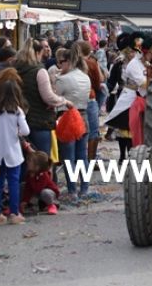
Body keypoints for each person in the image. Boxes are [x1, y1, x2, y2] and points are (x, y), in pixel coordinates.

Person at [15, 38, 71, 158]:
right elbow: (48, 97)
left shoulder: (16, 69)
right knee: (42, 158)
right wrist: (64, 101)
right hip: (39, 121)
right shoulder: (39, 71)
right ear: (37, 53)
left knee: (25, 160)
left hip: (19, 121)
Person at [0, 80, 30, 225]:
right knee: (13, 182)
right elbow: (25, 131)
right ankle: (14, 212)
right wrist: (16, 132)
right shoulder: (17, 110)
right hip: (13, 151)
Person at [54, 45, 92, 198]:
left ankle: (72, 190)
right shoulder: (85, 77)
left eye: (61, 62)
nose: (59, 65)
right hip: (83, 116)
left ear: (68, 62)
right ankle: (84, 188)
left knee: (69, 157)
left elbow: (55, 98)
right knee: (82, 156)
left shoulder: (62, 79)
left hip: (67, 117)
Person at [20, 151, 59, 215]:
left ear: (37, 166)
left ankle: (52, 205)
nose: (27, 163)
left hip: (47, 193)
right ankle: (19, 206)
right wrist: (25, 201)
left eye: (30, 162)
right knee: (22, 186)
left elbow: (38, 189)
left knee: (45, 192)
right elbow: (28, 187)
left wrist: (32, 178)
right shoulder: (30, 173)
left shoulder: (44, 175)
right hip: (37, 192)